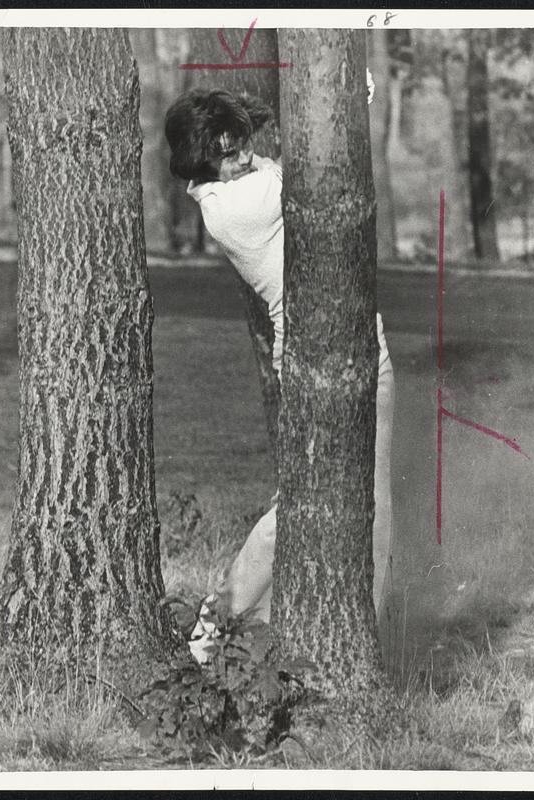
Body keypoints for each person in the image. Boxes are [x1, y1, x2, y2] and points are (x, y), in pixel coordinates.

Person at [164, 87, 394, 662]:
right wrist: (345, 106)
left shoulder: (239, 182)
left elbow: (276, 159)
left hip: (345, 348)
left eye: (240, 146)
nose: (244, 157)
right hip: (328, 360)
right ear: (202, 160)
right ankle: (219, 624)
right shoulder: (234, 205)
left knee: (316, 501)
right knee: (343, 505)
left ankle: (238, 633)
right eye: (228, 152)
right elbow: (320, 176)